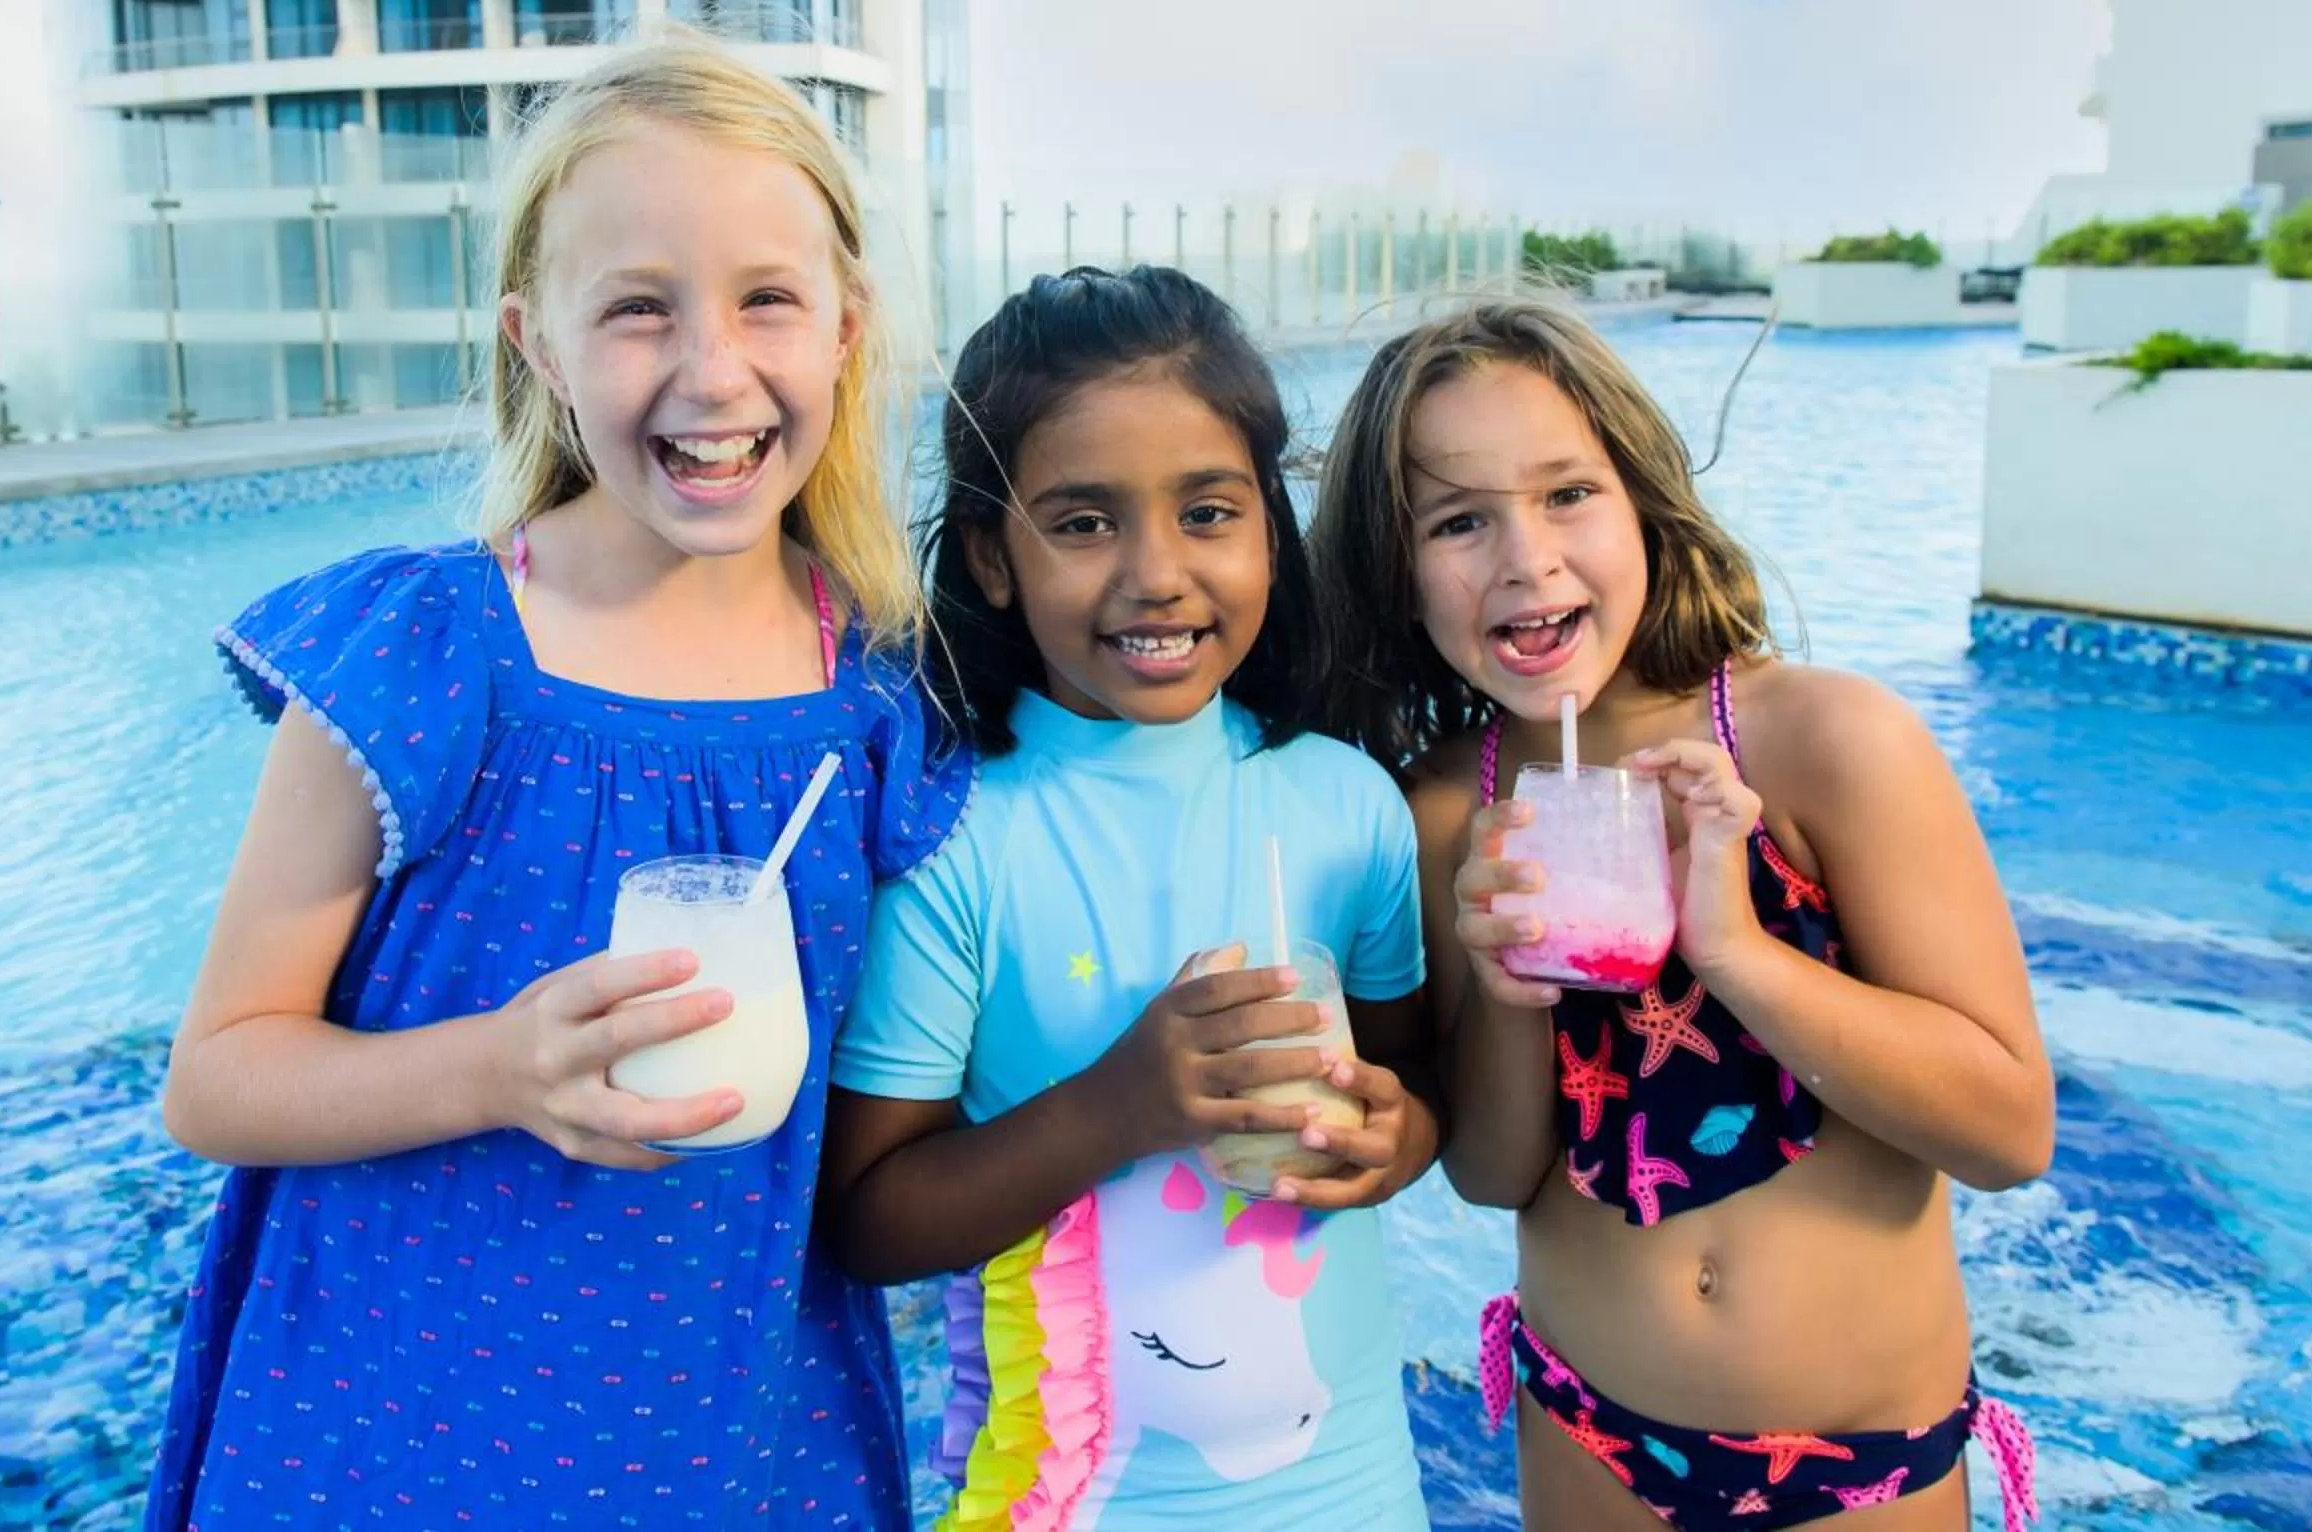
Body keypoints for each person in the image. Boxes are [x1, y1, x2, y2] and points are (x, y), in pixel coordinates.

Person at [141, 38, 968, 1529]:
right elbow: (215, 1077)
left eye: (766, 299)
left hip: (733, 1462)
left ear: (848, 324)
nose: (713, 372)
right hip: (392, 1450)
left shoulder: (884, 701)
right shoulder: (427, 658)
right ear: (537, 343)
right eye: (638, 311)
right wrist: (493, 1069)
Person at [1310, 298, 2050, 1532]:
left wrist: (1736, 951)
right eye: (1457, 521)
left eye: (1566, 495)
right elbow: (1497, 1173)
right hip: (1590, 1434)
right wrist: (1503, 993)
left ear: (1643, 502)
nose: (1525, 559)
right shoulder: (1451, 809)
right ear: (1399, 573)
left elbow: (2008, 1133)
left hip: (1857, 1458)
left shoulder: (1823, 744)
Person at [824, 266, 1437, 1528]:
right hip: (1069, 1501)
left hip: (1354, 1487)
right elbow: (872, 1221)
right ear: (994, 555)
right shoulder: (959, 841)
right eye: (1085, 522)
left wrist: (1390, 1144)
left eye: (1208, 511)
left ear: (1270, 527)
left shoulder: (1346, 805)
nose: (1157, 573)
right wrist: (1123, 1105)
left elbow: (1418, 1099)